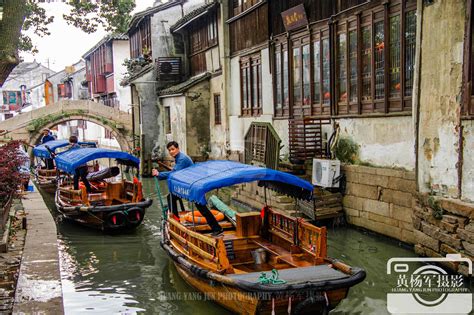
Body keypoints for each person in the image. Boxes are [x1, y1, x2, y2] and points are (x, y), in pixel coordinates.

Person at [152, 141, 223, 236]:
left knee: (202, 208)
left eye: (173, 149)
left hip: (194, 186)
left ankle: (217, 228)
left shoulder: (182, 159)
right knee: (171, 197)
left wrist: (159, 174)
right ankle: (176, 220)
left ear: (177, 149)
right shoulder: (178, 158)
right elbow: (176, 172)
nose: (171, 152)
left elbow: (175, 173)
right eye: (169, 150)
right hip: (189, 185)